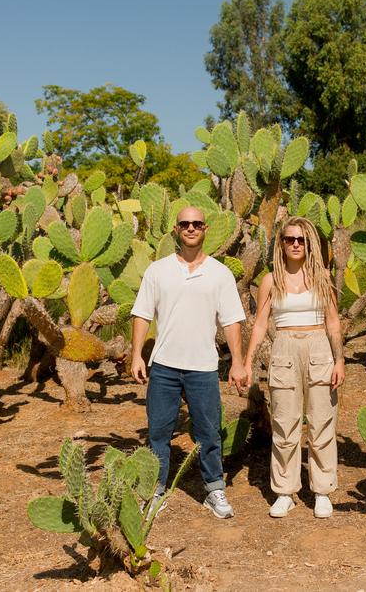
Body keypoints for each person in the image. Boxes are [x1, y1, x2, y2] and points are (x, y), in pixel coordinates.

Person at [130, 206, 249, 519]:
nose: (191, 228)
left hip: (203, 367)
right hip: (164, 366)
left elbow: (233, 321)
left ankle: (214, 490)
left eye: (197, 223)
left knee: (209, 433)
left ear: (206, 228)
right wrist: (136, 355)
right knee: (158, 432)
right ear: (176, 230)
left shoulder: (220, 274)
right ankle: (154, 490)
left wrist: (237, 362)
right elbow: (142, 314)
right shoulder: (158, 270)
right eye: (185, 223)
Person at [243, 216, 345, 519]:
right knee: (285, 425)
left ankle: (322, 490)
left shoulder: (322, 277)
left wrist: (340, 360)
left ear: (309, 242)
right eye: (290, 239)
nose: (296, 244)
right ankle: (285, 491)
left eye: (301, 239)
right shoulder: (270, 280)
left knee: (321, 423)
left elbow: (334, 322)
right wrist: (247, 362)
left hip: (319, 348)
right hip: (284, 349)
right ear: (281, 244)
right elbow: (261, 324)